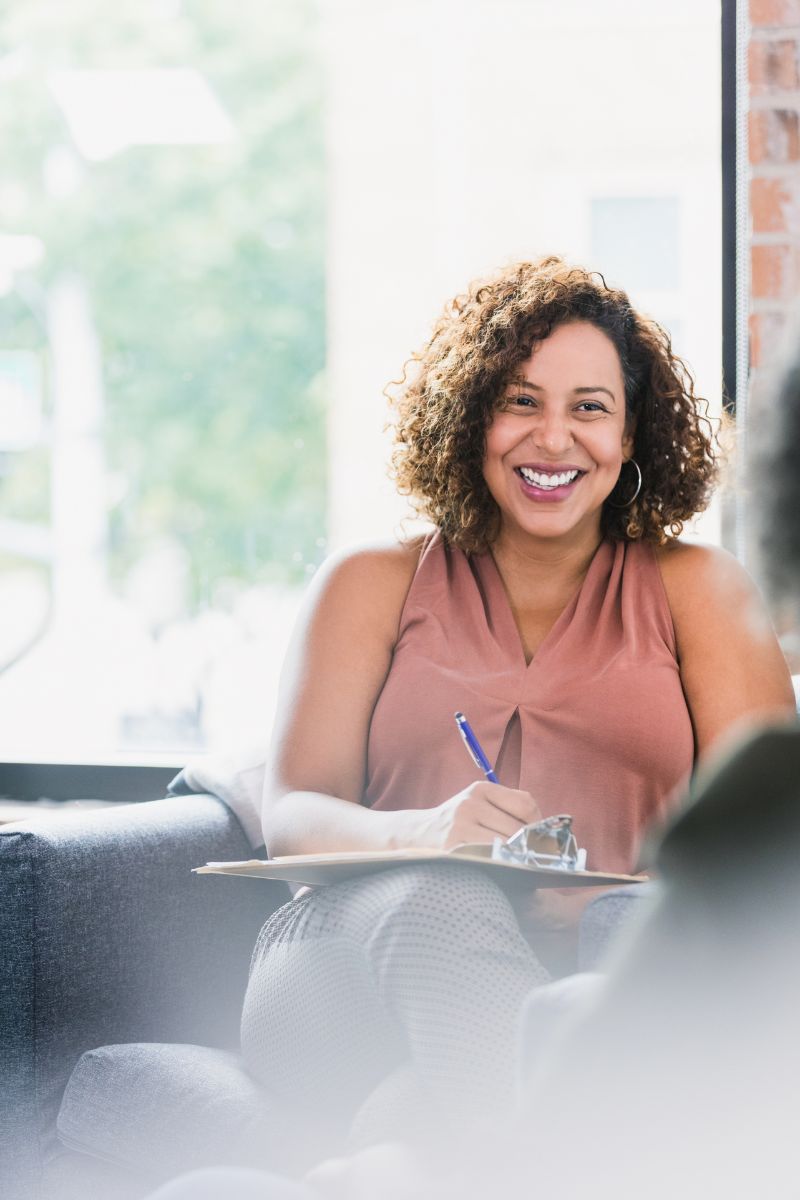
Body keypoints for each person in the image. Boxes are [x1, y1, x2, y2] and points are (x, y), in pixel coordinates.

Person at [239, 257, 794, 1149]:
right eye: (520, 401)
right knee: (435, 897)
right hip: (341, 967)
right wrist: (428, 833)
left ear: (632, 434)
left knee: (412, 1122)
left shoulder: (701, 591)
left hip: (585, 976)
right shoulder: (370, 582)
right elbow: (292, 817)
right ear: (471, 419)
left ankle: (431, 1143)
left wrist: (618, 909)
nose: (553, 437)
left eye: (589, 407)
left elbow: (765, 861)